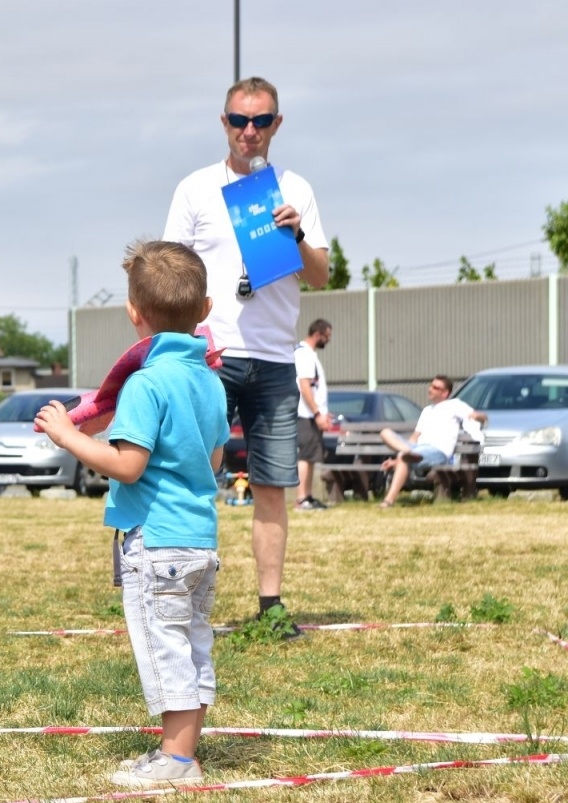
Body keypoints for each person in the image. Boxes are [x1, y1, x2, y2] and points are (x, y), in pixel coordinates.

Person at [35, 240, 228, 786]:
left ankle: (177, 762)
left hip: (158, 540)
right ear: (205, 309)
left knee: (165, 650)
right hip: (200, 540)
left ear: (133, 312)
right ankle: (181, 753)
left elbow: (127, 466)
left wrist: (69, 436)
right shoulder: (210, 380)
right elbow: (214, 460)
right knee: (192, 646)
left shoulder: (146, 383)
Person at [163, 76, 329, 637]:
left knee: (273, 486)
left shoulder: (295, 189)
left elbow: (322, 274)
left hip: (276, 359)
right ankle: (182, 599)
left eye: (260, 121)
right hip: (211, 356)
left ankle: (271, 606)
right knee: (193, 478)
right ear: (224, 123)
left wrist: (297, 234)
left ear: (276, 124)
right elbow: (169, 273)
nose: (249, 131)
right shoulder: (195, 189)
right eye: (239, 120)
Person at [378, 375, 488, 508]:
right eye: (431, 386)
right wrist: (400, 457)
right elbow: (415, 437)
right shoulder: (427, 410)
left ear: (445, 393)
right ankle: (407, 452)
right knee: (385, 432)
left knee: (403, 457)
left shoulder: (454, 405)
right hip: (416, 449)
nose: (430, 389)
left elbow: (483, 418)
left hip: (437, 451)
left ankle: (388, 501)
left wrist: (478, 416)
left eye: (435, 387)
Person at [294, 319, 333, 511]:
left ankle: (307, 496)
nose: (328, 340)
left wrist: (322, 412)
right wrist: (317, 413)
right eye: (327, 336)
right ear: (318, 334)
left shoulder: (309, 354)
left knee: (310, 457)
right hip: (306, 414)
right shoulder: (304, 354)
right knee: (305, 456)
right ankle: (301, 499)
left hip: (311, 414)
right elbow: (305, 386)